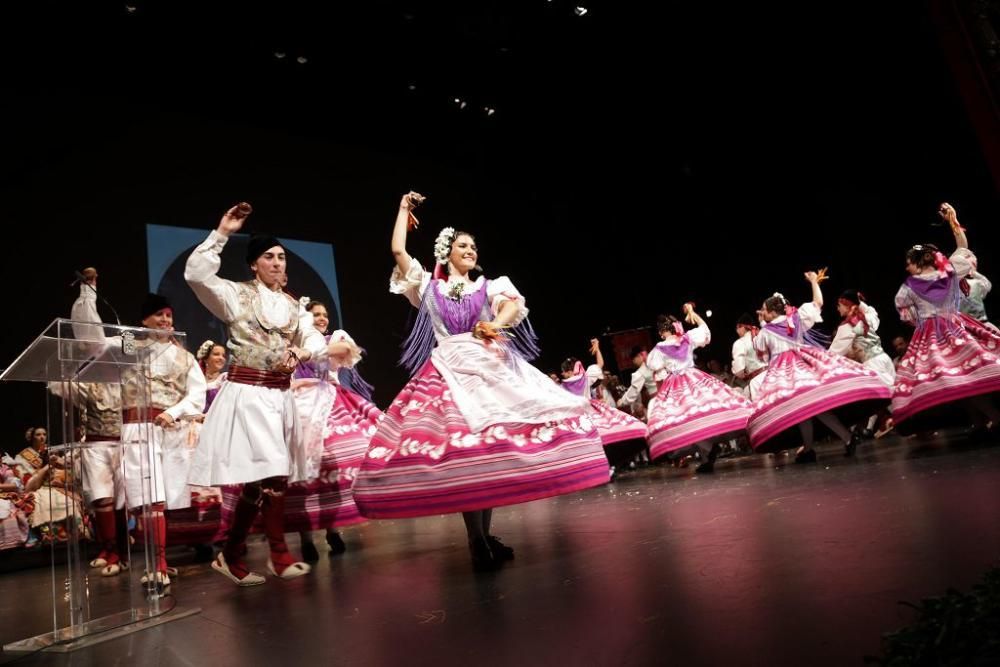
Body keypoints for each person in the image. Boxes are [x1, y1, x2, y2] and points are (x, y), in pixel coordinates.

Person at [352, 191, 609, 571]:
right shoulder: (428, 287)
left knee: (485, 458)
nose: (470, 250)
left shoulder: (489, 285)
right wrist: (403, 210)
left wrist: (496, 324)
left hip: (489, 368)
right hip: (449, 370)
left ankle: (482, 537)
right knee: (465, 457)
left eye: (473, 246)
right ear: (448, 253)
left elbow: (511, 305)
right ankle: (476, 538)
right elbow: (397, 253)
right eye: (462, 245)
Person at [185, 202, 346, 585]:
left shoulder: (295, 306)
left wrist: (304, 350)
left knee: (262, 483)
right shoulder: (234, 296)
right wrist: (222, 231)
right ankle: (279, 555)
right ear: (254, 264)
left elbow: (309, 337)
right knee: (273, 475)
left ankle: (230, 553)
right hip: (248, 392)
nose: (277, 263)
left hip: (279, 397)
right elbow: (195, 274)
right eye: (269, 257)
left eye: (281, 257)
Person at [747, 271, 890, 461]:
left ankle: (811, 448)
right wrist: (814, 281)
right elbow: (818, 303)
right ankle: (839, 440)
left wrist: (761, 324)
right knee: (814, 408)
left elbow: (759, 350)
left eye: (764, 310)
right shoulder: (796, 318)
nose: (762, 313)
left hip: (786, 372)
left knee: (803, 409)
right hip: (803, 364)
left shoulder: (766, 330)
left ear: (773, 312)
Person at [644, 304, 753, 473]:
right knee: (700, 414)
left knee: (688, 419)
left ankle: (707, 453)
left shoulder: (660, 348)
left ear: (662, 332)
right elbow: (705, 330)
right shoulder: (687, 338)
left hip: (675, 384)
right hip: (693, 377)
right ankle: (707, 454)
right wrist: (693, 314)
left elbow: (653, 365)